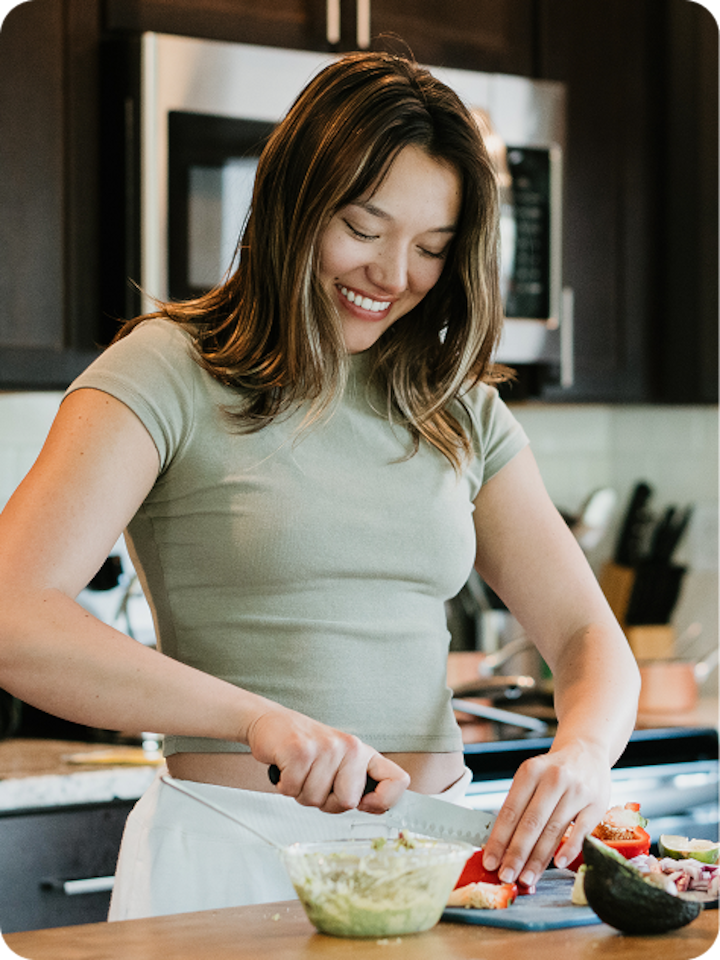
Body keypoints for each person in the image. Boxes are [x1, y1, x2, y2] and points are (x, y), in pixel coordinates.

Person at [0, 51, 640, 919]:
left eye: (431, 249)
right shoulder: (166, 370)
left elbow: (584, 637)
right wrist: (260, 721)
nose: (393, 275)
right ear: (292, 203)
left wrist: (584, 755)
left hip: (437, 865)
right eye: (364, 228)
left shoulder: (454, 405)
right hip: (235, 856)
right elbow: (14, 615)